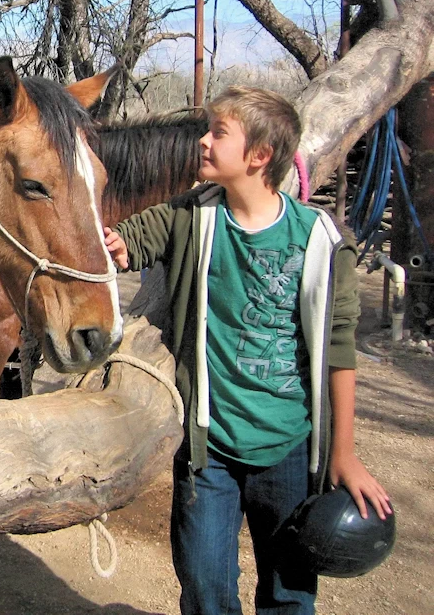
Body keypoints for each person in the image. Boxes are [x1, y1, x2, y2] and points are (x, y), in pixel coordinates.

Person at [103, 86, 392, 615]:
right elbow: (132, 238)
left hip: (287, 449)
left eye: (218, 133)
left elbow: (339, 350)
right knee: (202, 583)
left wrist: (343, 454)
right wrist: (113, 243)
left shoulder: (320, 240)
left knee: (288, 590)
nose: (204, 141)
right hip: (209, 449)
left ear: (259, 156)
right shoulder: (192, 215)